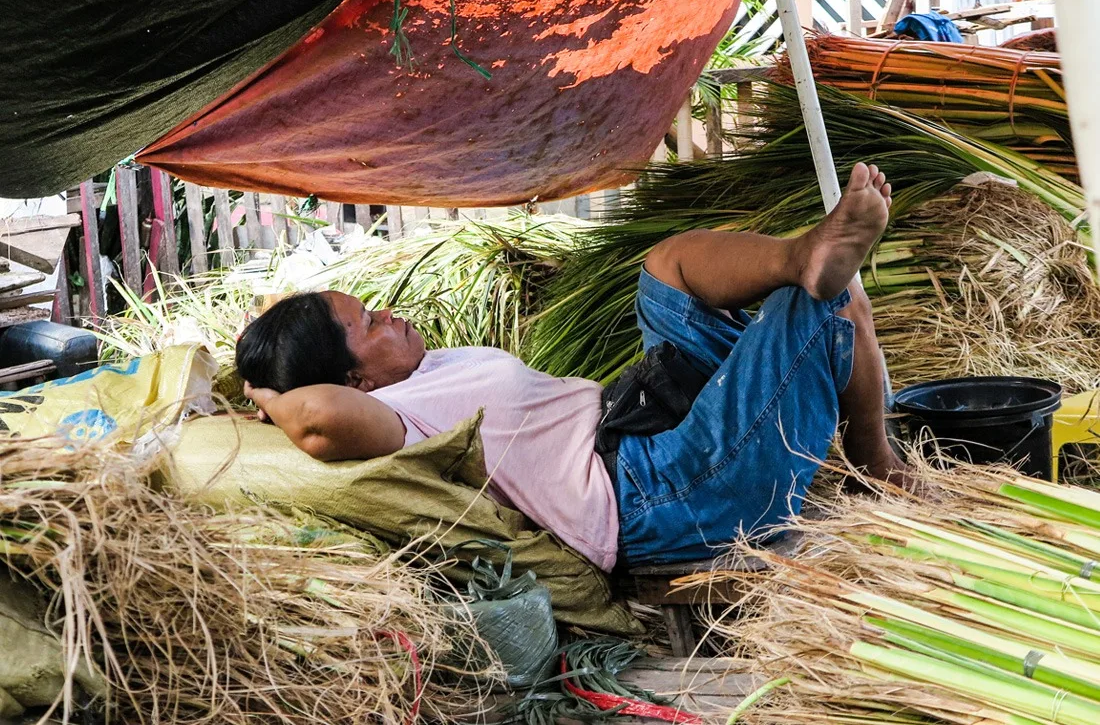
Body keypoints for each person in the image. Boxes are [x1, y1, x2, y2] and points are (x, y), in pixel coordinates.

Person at [237, 163, 905, 571]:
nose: (390, 314)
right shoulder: (395, 420)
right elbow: (319, 419)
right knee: (825, 304)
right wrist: (266, 393)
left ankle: (799, 254)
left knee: (663, 274)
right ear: (354, 380)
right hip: (660, 496)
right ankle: (877, 466)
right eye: (369, 324)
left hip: (641, 421)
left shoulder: (422, 371)